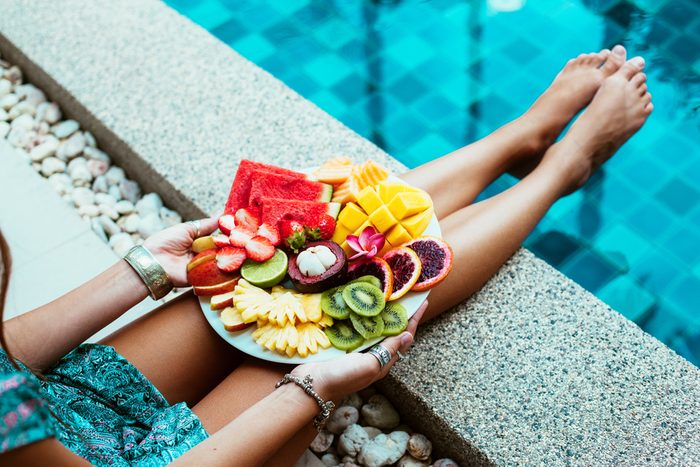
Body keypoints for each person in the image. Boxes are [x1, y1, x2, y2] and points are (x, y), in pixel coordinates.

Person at [0, 45, 652, 465]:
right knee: (346, 316)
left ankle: (518, 139)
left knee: (288, 271)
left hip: (60, 410)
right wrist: (308, 388)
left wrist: (143, 268)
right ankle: (562, 168)